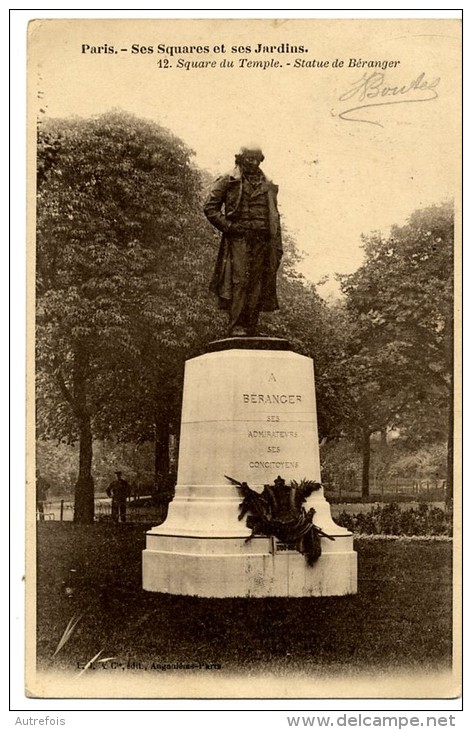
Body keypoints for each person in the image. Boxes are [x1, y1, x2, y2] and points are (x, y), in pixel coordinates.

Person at [204, 145, 283, 337]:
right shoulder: (229, 180)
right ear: (241, 159)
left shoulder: (268, 184)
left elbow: (274, 215)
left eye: (257, 158)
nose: (253, 162)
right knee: (239, 281)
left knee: (258, 282)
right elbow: (210, 207)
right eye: (249, 158)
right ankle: (236, 325)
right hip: (239, 239)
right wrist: (230, 227)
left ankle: (251, 327)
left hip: (263, 240)